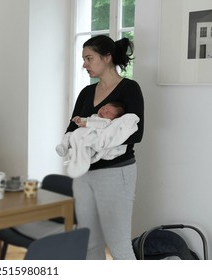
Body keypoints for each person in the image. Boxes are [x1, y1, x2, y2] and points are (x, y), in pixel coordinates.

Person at [67, 35, 144, 260]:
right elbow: (71, 129)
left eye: (89, 58)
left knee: (118, 245)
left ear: (107, 57)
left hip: (115, 173)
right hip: (83, 174)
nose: (84, 64)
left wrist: (95, 139)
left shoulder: (129, 89)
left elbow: (136, 134)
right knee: (90, 243)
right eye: (83, 59)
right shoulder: (86, 93)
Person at [56, 102, 140, 178]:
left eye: (108, 112)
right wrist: (78, 119)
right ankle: (63, 147)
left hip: (89, 137)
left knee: (86, 146)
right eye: (103, 108)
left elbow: (99, 124)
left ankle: (82, 163)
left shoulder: (106, 122)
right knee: (68, 135)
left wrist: (86, 123)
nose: (103, 111)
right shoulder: (94, 116)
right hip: (79, 135)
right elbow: (85, 120)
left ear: (113, 119)